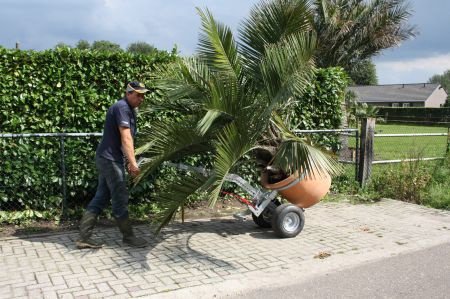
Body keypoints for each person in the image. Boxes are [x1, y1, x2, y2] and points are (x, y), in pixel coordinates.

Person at [76, 81, 149, 249]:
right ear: (128, 93)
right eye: (138, 95)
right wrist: (133, 163)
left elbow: (122, 141)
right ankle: (129, 237)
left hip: (108, 158)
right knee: (120, 198)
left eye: (143, 95)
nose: (141, 98)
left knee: (101, 197)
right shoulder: (122, 108)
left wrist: (127, 160)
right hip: (109, 160)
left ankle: (83, 237)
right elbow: (126, 138)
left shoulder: (127, 109)